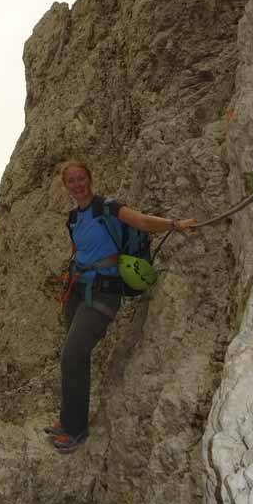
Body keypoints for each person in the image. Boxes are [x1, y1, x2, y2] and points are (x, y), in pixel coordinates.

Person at [47, 160, 197, 454]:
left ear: (90, 178)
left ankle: (75, 431)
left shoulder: (108, 207)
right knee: (73, 357)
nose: (77, 185)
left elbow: (140, 221)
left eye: (81, 179)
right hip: (78, 290)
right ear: (66, 187)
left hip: (104, 292)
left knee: (72, 355)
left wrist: (174, 225)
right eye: (71, 181)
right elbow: (79, 250)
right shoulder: (73, 218)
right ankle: (67, 422)